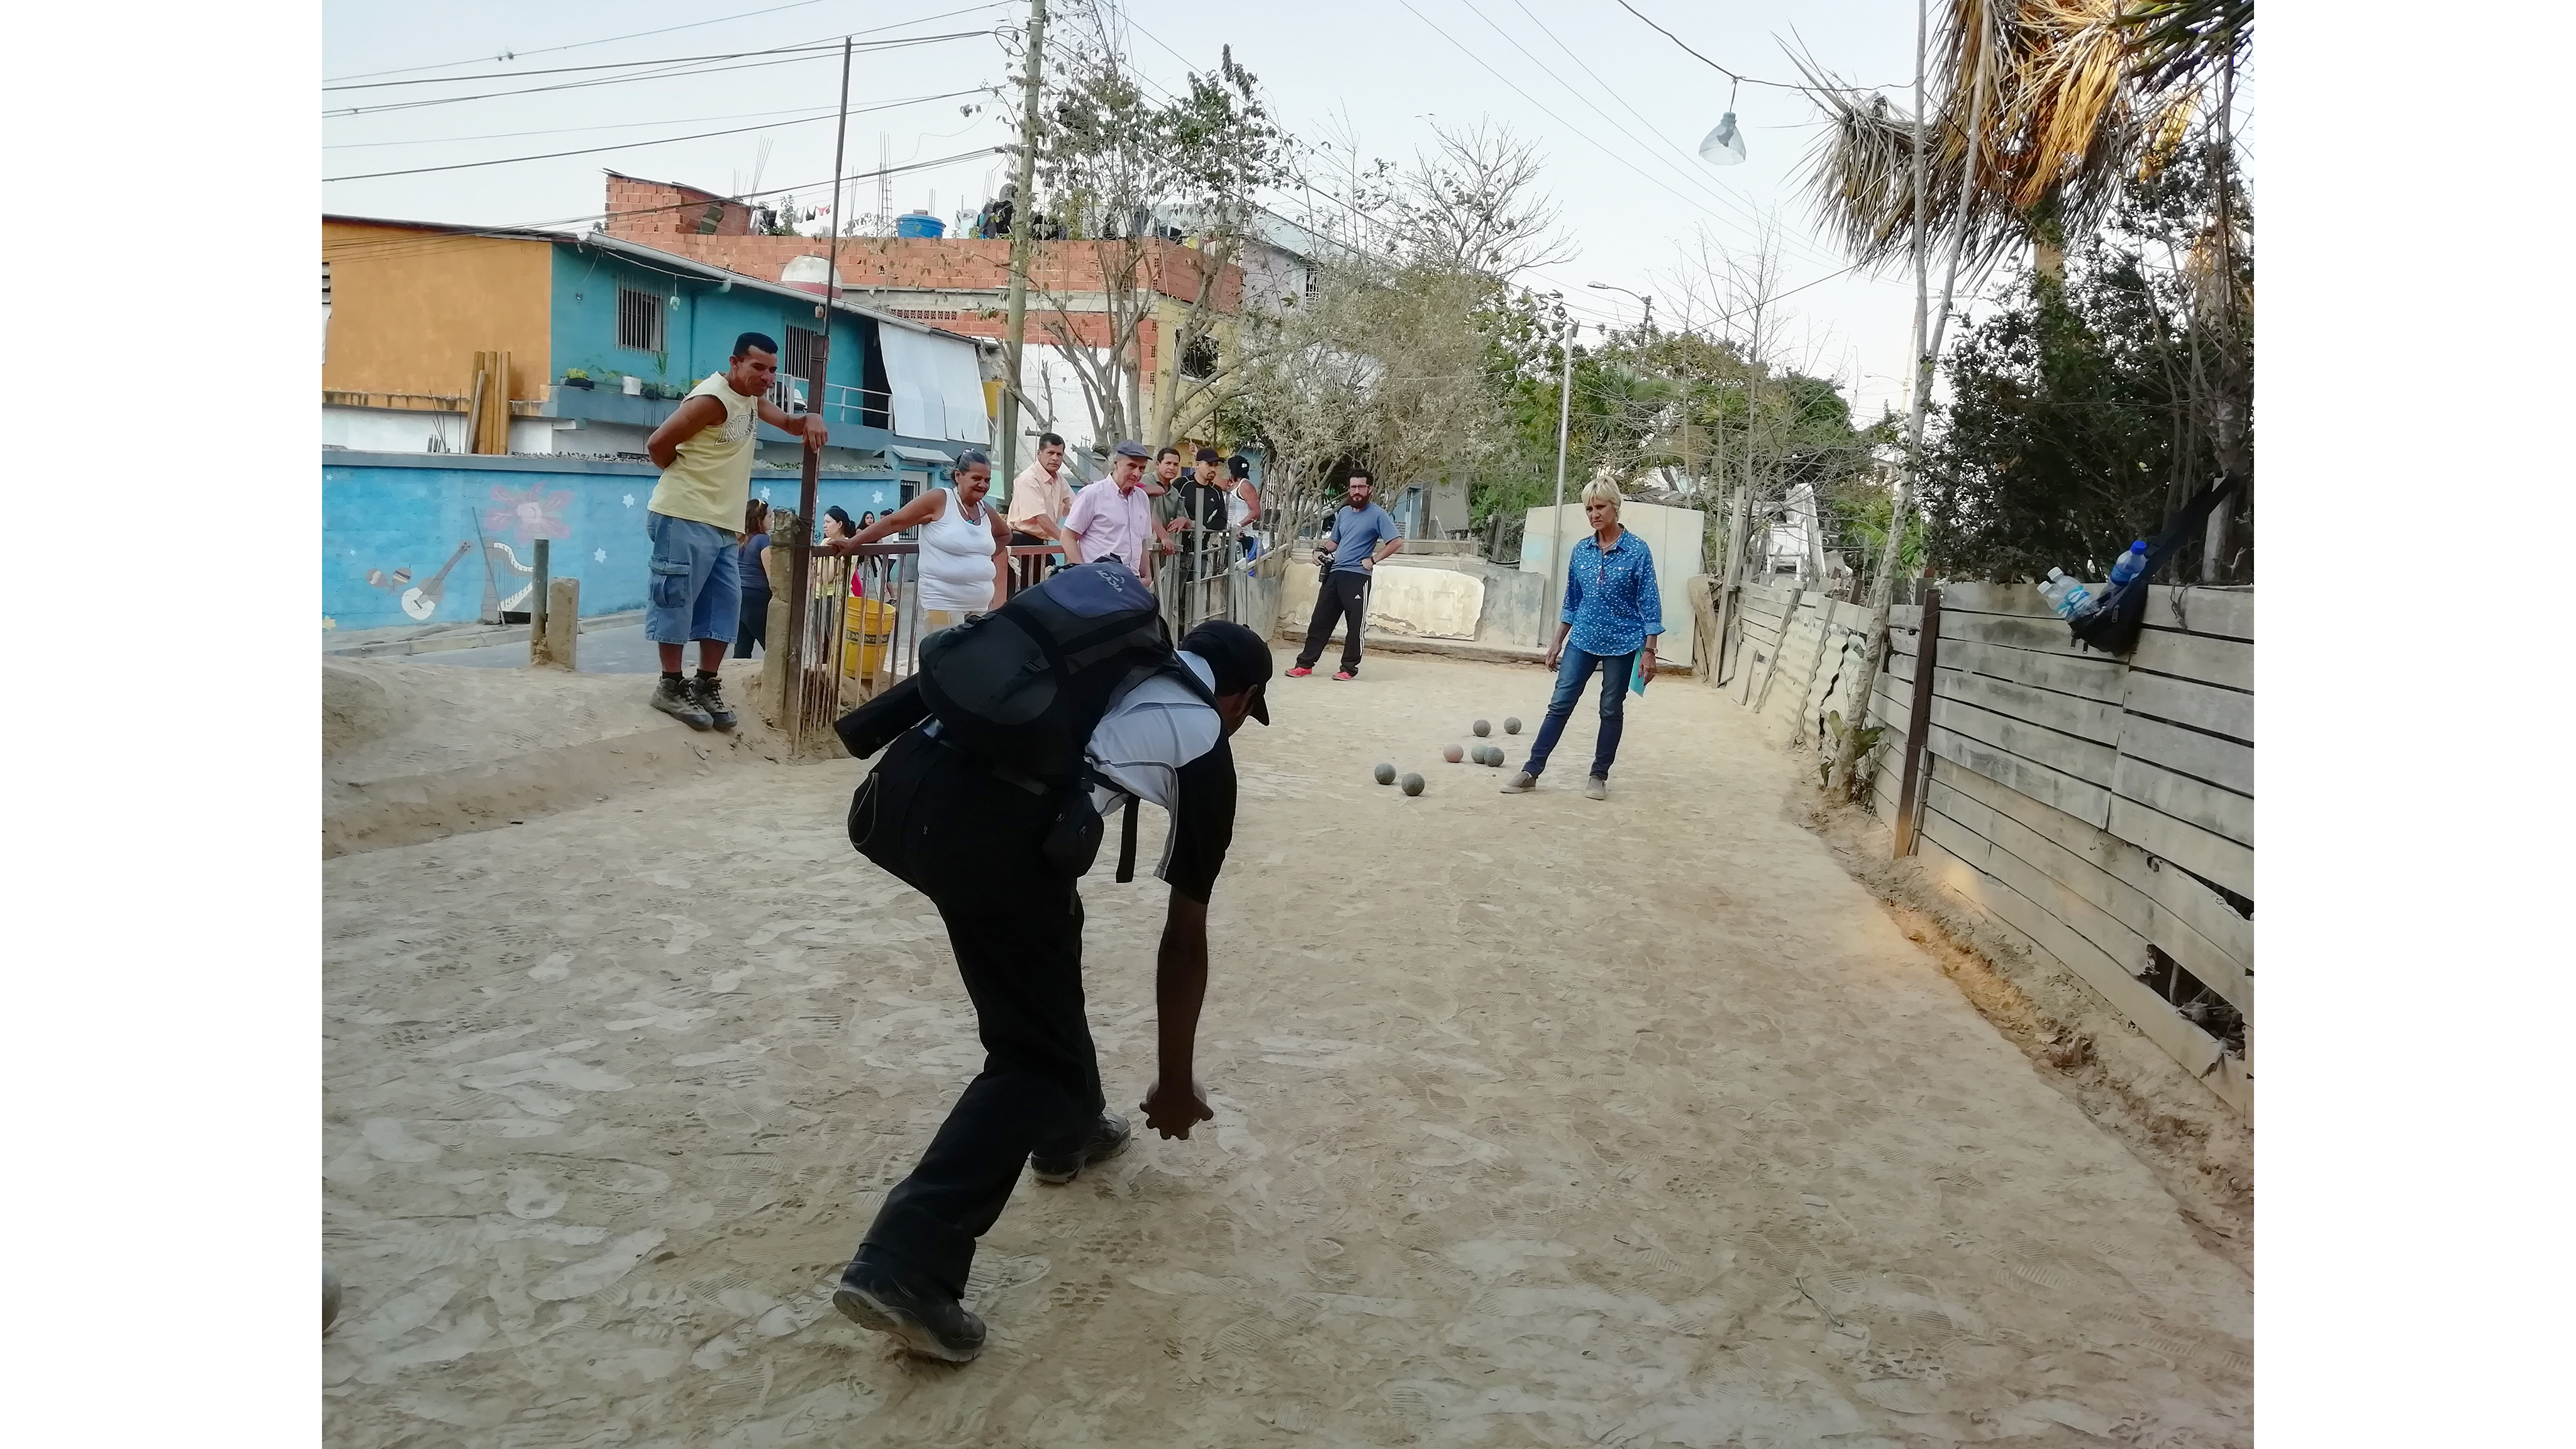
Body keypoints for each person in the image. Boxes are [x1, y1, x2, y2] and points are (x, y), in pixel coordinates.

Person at [833, 617, 1274, 1362]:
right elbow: (1184, 935)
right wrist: (1172, 1082)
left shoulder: (1102, 657)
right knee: (1031, 1057)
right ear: (1239, 697)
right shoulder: (1203, 737)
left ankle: (1070, 1128)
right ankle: (906, 1264)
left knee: (1047, 926)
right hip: (984, 838)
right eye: (1246, 712)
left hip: (900, 792)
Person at [641, 331, 827, 730]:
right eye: (758, 367)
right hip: (684, 514)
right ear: (735, 363)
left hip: (724, 524)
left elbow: (791, 424)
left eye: (773, 370)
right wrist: (690, 479)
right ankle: (670, 685)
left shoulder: (752, 400)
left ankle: (706, 683)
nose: (767, 377)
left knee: (724, 606)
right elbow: (658, 445)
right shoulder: (711, 400)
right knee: (676, 598)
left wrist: (810, 418)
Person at [1501, 477, 1662, 801]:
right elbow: (1572, 601)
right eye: (1589, 508)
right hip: (1583, 638)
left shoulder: (1637, 551)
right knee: (1560, 704)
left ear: (1615, 507)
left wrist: (1649, 651)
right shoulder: (1581, 551)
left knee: (1610, 708)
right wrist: (1556, 642)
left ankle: (1598, 776)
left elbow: (1650, 603)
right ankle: (1531, 770)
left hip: (1623, 643)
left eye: (1600, 507)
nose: (1594, 514)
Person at [828, 450, 1009, 630]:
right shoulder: (939, 500)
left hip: (980, 605)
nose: (983, 485)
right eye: (976, 479)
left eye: (987, 480)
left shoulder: (985, 509)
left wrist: (985, 559)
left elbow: (1004, 534)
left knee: (974, 658)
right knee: (946, 658)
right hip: (944, 603)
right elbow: (893, 523)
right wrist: (854, 542)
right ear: (958, 475)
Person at [1285, 469, 1402, 681]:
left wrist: (1374, 560)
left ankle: (1348, 669)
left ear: (1370, 489)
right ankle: (1304, 665)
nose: (1356, 491)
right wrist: (1321, 550)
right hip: (1335, 573)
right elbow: (1335, 541)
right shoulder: (1344, 514)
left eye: (1361, 487)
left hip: (1357, 577)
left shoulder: (1378, 514)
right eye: (1353, 487)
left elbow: (1396, 542)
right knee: (1319, 621)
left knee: (1354, 626)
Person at [1060, 440, 1160, 586]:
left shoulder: (1142, 498)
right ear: (1115, 464)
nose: (1137, 473)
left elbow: (1143, 540)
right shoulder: (1092, 494)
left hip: (1133, 583)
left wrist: (1147, 576)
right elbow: (1067, 537)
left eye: (1142, 468)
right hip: (1099, 582)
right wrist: (1084, 573)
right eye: (1131, 466)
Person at [1004, 432, 1074, 590]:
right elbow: (1040, 517)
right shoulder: (1029, 479)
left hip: (1042, 545)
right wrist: (1066, 540)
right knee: (1019, 594)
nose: (1055, 458)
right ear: (1039, 454)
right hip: (1022, 542)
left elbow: (1075, 508)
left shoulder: (1060, 480)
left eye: (1059, 454)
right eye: (1050, 453)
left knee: (1046, 590)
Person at [733, 499, 772, 658]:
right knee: (772, 647)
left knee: (742, 648)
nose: (772, 520)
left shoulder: (740, 541)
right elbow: (772, 576)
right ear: (759, 520)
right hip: (758, 599)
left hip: (739, 596)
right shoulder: (764, 541)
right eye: (769, 516)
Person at [1225, 455, 1261, 560]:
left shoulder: (1245, 485)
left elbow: (1257, 511)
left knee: (1237, 574)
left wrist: (1239, 525)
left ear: (1232, 469)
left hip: (1242, 538)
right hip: (1229, 537)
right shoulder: (1232, 485)